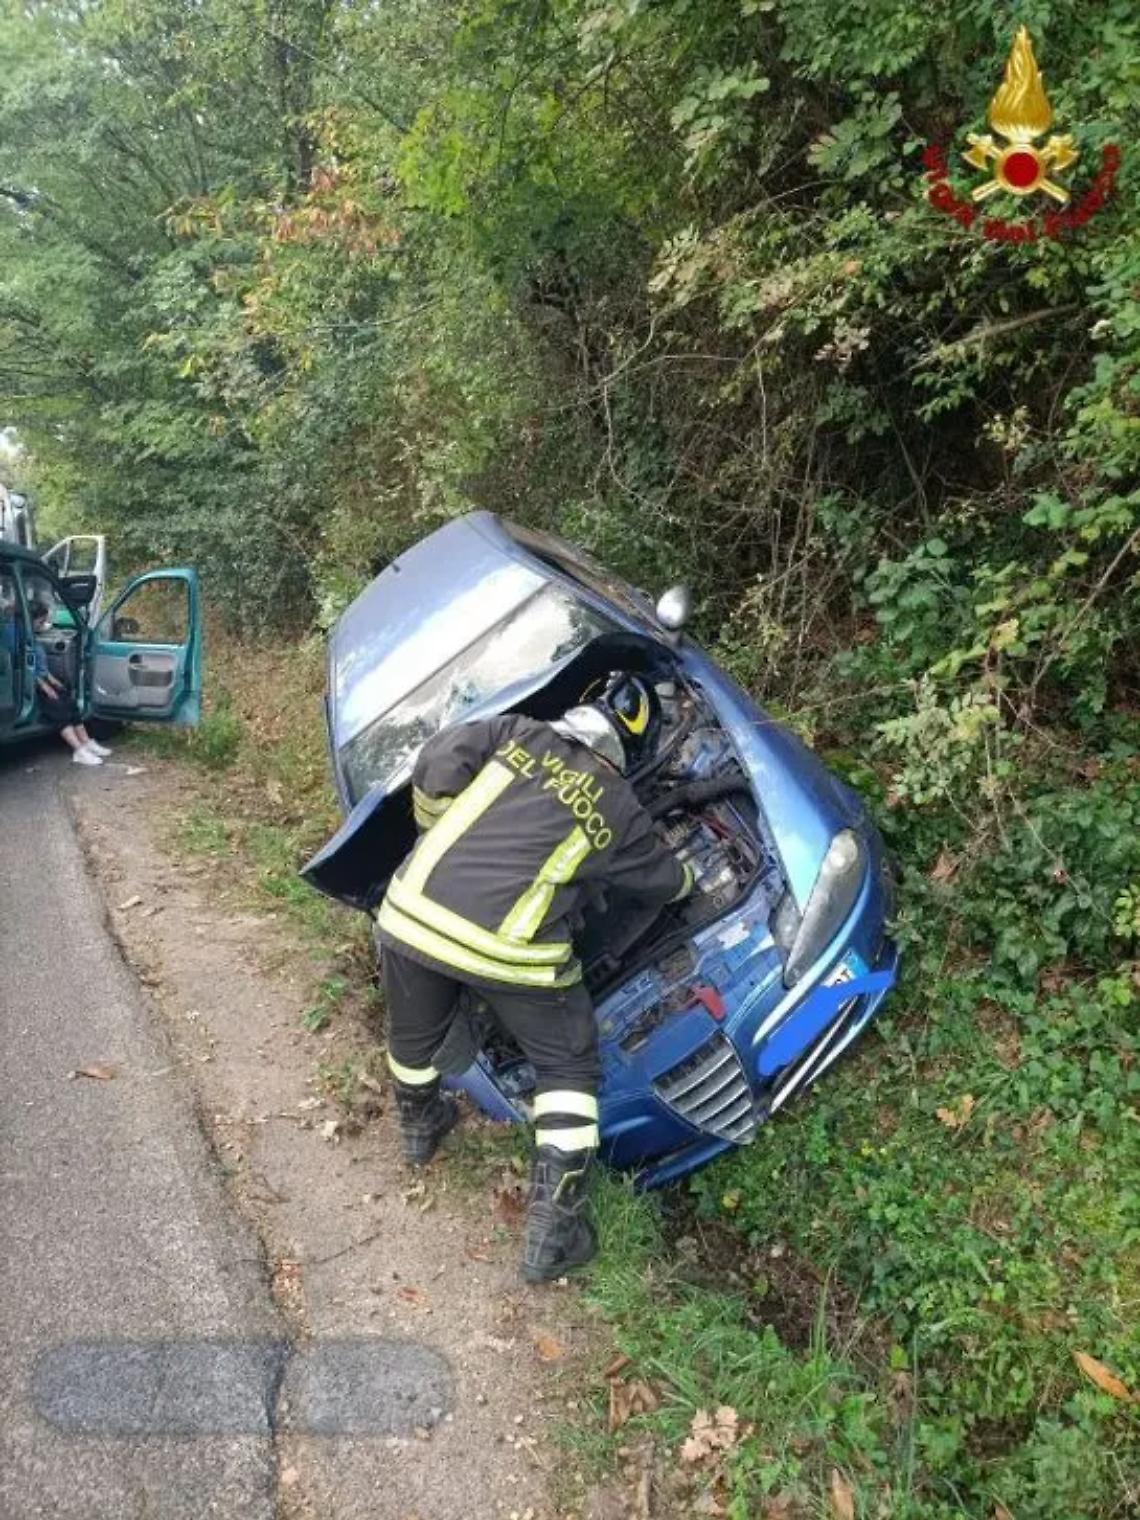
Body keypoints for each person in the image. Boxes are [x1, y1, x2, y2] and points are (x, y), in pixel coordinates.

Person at [376, 672, 694, 1283]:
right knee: (568, 1068)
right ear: (629, 748)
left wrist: (436, 830)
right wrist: (687, 880)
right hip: (508, 950)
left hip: (411, 912)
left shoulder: (514, 734)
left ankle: (419, 1129)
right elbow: (664, 882)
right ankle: (555, 1232)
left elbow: (436, 759)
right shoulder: (618, 805)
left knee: (410, 1036)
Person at [29, 600, 113, 765]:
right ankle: (79, 751)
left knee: (70, 703)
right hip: (31, 685)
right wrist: (44, 686)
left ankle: (87, 743)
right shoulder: (16, 636)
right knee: (59, 710)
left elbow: (40, 667)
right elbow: (25, 667)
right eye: (40, 621)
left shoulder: (30, 635)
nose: (43, 624)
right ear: (31, 618)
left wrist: (52, 681)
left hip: (42, 680)